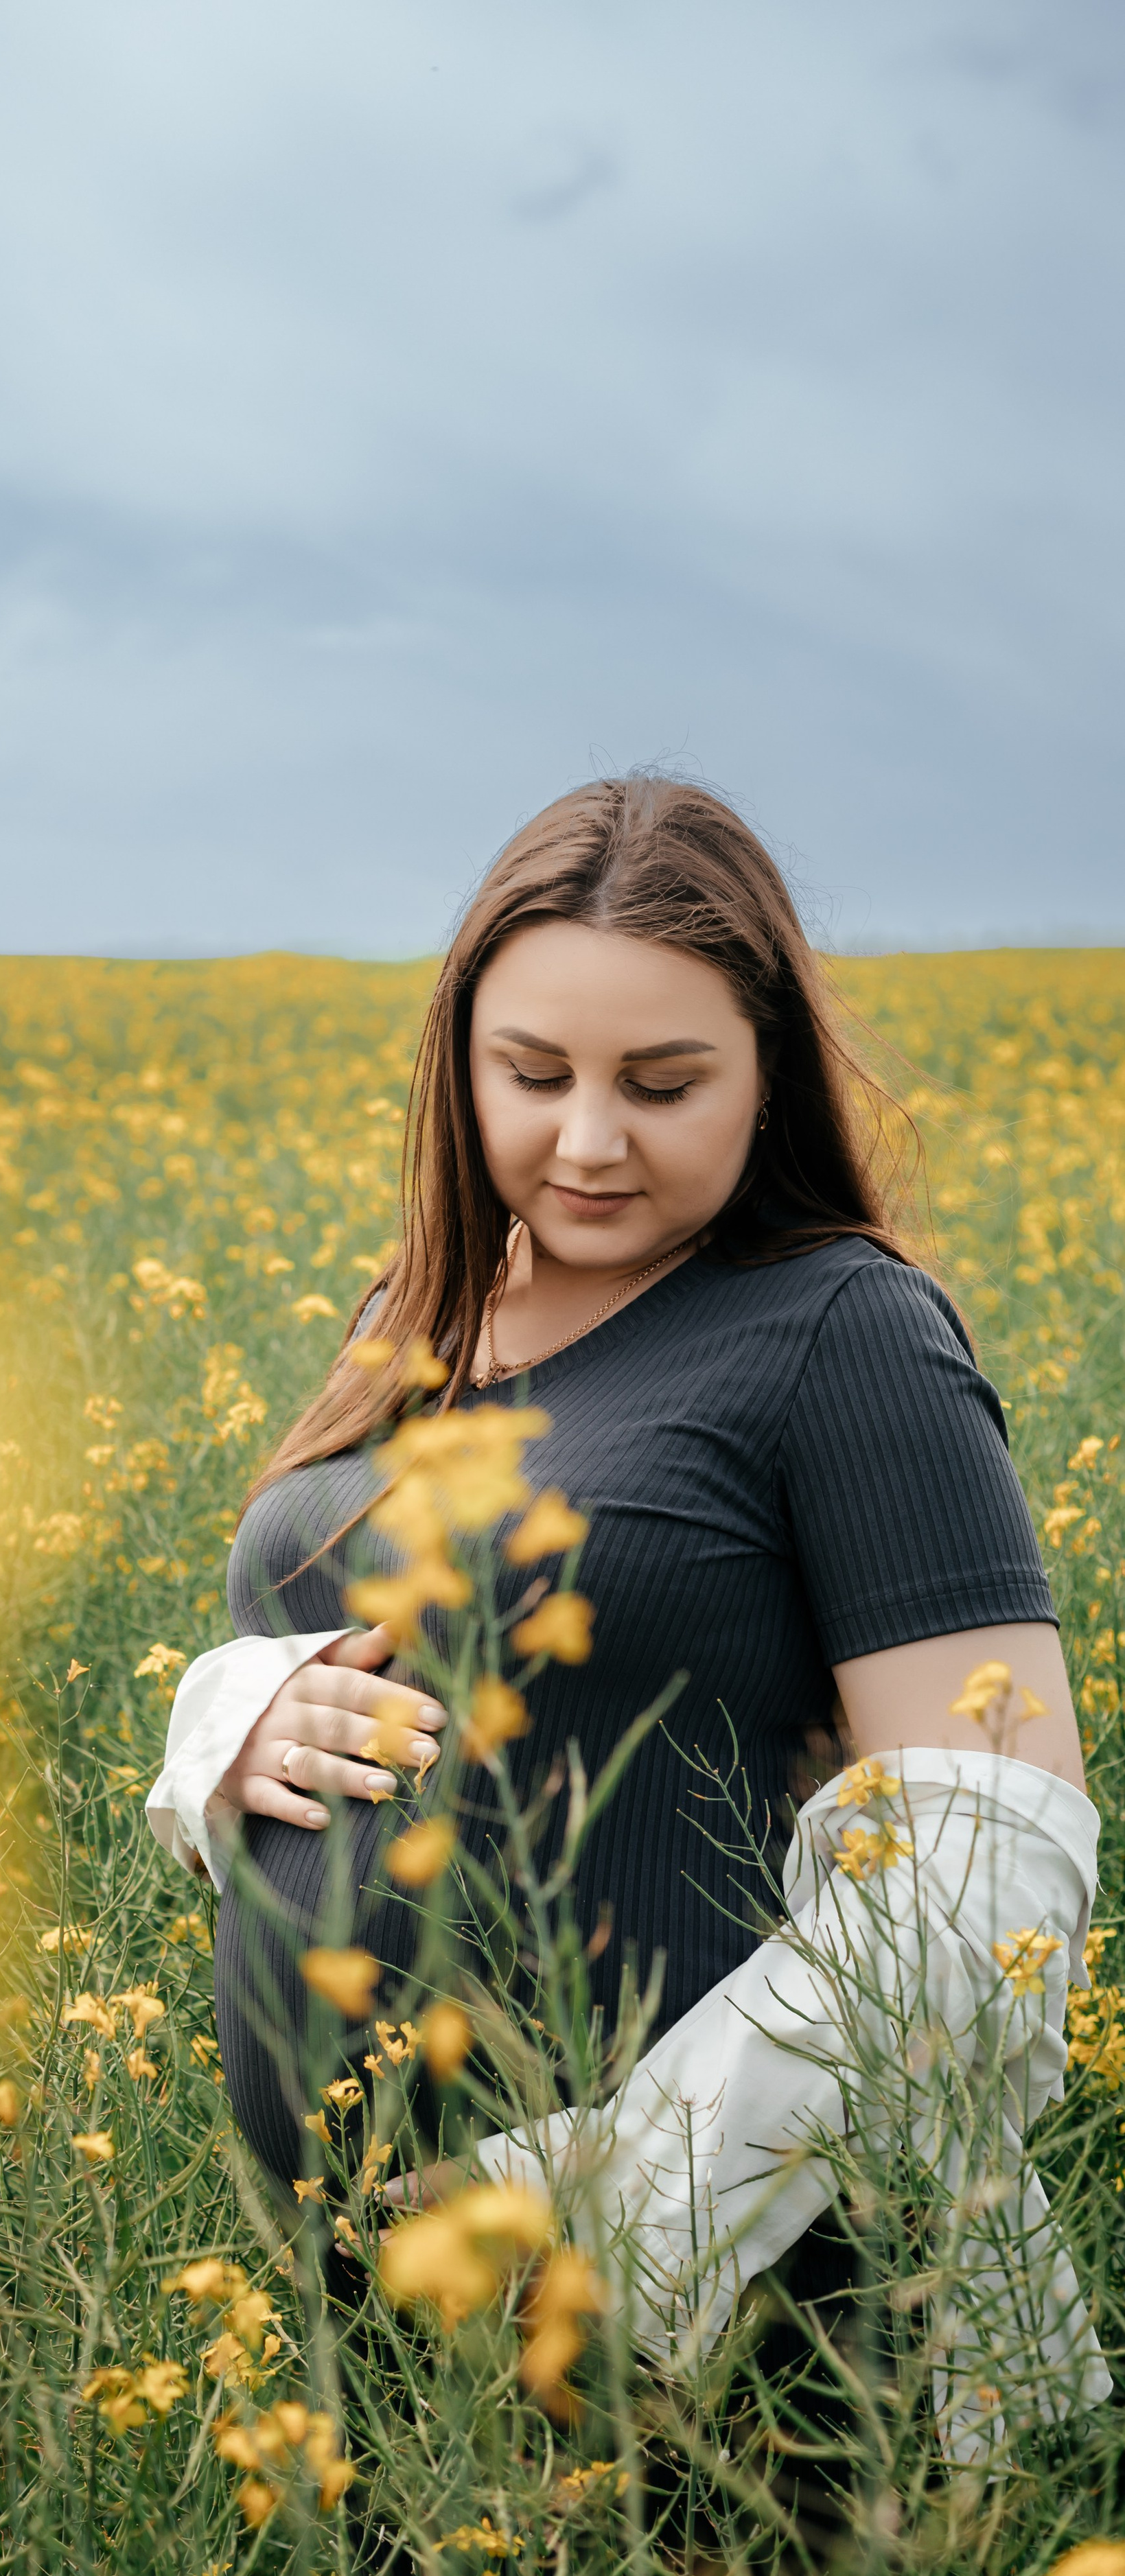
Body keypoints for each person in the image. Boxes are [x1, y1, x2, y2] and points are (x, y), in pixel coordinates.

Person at [144, 777, 1101, 2430]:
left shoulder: (840, 1330)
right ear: (458, 1063)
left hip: (710, 2320)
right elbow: (386, 1625)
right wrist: (229, 1721)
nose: (586, 1142)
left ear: (766, 1076)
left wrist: (604, 2214)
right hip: (362, 2316)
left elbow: (985, 1870)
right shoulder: (428, 1298)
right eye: (532, 1075)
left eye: (662, 1084)